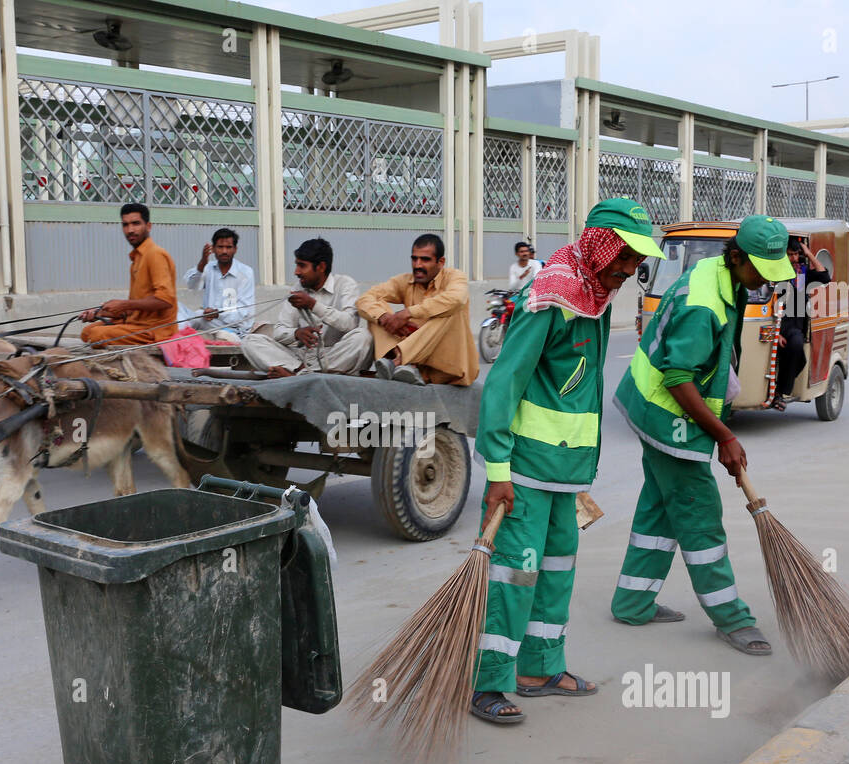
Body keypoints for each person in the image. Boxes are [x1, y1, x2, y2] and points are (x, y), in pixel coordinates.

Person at [470, 198, 666, 724]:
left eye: (636, 261)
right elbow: (503, 384)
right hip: (525, 471)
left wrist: (577, 474)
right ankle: (488, 682)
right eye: (625, 257)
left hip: (564, 473)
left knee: (556, 572)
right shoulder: (553, 295)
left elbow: (574, 397)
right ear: (601, 247)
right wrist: (496, 473)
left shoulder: (594, 297)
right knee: (515, 576)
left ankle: (539, 669)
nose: (631, 270)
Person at [610, 215, 796, 656]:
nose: (764, 283)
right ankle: (731, 617)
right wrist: (723, 436)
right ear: (735, 256)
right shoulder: (703, 305)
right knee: (700, 517)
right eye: (760, 272)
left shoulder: (718, 273)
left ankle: (632, 601)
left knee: (659, 510)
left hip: (655, 409)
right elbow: (678, 377)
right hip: (667, 416)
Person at [356, 234, 478, 387]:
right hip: (414, 367)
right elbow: (364, 299)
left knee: (450, 310)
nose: (417, 265)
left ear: (441, 262)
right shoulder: (405, 281)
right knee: (376, 310)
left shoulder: (455, 277)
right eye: (414, 259)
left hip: (447, 367)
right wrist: (385, 318)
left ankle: (399, 360)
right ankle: (400, 362)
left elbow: (457, 299)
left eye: (425, 260)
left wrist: (408, 313)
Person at [239, 237, 372, 377]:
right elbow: (279, 331)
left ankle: (301, 376)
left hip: (335, 355)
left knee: (363, 337)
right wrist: (296, 333)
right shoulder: (298, 289)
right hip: (301, 358)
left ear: (321, 267)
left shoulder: (345, 284)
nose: (296, 272)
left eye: (302, 266)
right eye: (297, 265)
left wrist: (313, 305)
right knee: (250, 341)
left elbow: (350, 323)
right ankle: (303, 373)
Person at [79, 203, 178, 347]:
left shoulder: (155, 254)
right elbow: (134, 309)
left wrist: (124, 304)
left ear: (148, 226)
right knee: (87, 332)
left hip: (156, 330)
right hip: (136, 324)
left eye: (136, 224)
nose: (130, 230)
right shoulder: (137, 258)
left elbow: (165, 300)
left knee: (96, 335)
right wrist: (100, 313)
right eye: (125, 225)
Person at [769, 236, 832, 410]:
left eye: (796, 254)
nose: (794, 259)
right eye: (790, 255)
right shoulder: (775, 274)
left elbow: (824, 276)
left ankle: (778, 392)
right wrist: (776, 332)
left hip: (795, 325)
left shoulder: (802, 273)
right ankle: (777, 394)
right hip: (778, 323)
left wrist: (809, 253)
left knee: (799, 356)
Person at [182, 227, 256, 343]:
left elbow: (243, 312)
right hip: (210, 322)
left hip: (235, 327)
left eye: (228, 247)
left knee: (224, 335)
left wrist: (217, 313)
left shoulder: (246, 273)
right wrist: (202, 263)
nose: (224, 251)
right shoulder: (208, 267)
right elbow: (192, 285)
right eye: (220, 247)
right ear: (213, 249)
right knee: (178, 310)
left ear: (235, 249)